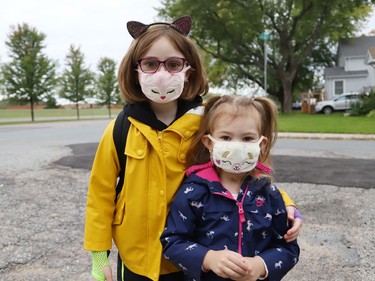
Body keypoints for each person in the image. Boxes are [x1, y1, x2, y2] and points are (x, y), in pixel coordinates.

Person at [84, 16, 301, 281]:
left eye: (174, 64)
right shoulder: (120, 130)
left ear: (189, 70)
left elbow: (243, 170)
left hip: (193, 258)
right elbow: (100, 194)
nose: (162, 74)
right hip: (137, 261)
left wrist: (287, 205)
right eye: (150, 64)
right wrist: (98, 253)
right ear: (134, 69)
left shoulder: (205, 125)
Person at [161, 95, 300, 281]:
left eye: (247, 138)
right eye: (226, 137)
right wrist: (208, 258)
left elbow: (288, 247)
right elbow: (172, 242)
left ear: (262, 144)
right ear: (209, 143)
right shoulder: (193, 192)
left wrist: (261, 265)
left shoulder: (268, 193)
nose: (236, 146)